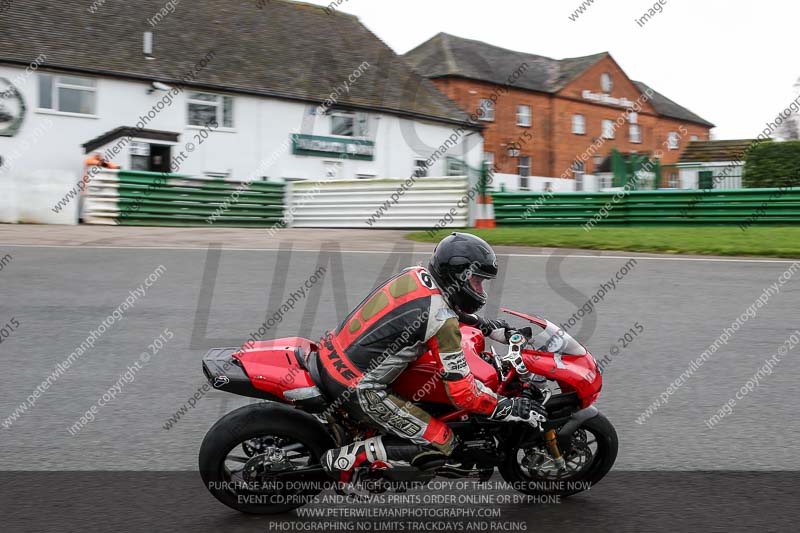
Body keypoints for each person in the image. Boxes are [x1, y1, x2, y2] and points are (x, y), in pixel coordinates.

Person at [311, 232, 547, 482]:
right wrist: (505, 406)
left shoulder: (415, 274)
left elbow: (438, 307)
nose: (480, 289)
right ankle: (344, 459)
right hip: (358, 386)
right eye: (477, 281)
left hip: (334, 353)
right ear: (460, 276)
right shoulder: (442, 322)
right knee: (443, 442)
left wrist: (488, 327)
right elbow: (464, 394)